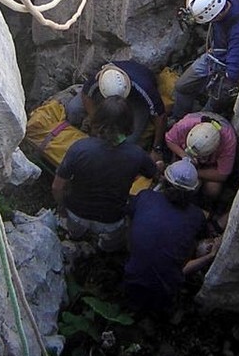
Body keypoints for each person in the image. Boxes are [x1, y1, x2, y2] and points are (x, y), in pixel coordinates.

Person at [52, 96, 159, 252]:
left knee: (75, 232)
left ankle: (75, 240)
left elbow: (57, 186)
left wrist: (62, 207)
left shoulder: (80, 148)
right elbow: (153, 174)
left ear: (97, 119)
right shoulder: (137, 155)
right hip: (111, 219)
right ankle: (105, 249)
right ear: (129, 124)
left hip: (76, 212)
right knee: (111, 244)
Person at [124, 158, 219, 314]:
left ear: (166, 180)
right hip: (167, 285)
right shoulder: (196, 216)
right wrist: (210, 255)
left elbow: (130, 214)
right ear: (193, 191)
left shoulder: (145, 196)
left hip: (133, 275)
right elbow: (200, 238)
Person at [66, 59, 167, 160]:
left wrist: (157, 148)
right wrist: (94, 120)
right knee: (74, 109)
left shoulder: (145, 87)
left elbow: (160, 116)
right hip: (107, 97)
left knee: (129, 141)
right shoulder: (102, 77)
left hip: (136, 101)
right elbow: (85, 94)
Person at [165, 112, 238, 202]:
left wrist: (193, 173)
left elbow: (222, 174)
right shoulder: (184, 125)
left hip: (210, 166)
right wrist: (184, 155)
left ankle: (202, 201)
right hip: (184, 154)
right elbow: (169, 139)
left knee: (213, 189)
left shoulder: (228, 141)